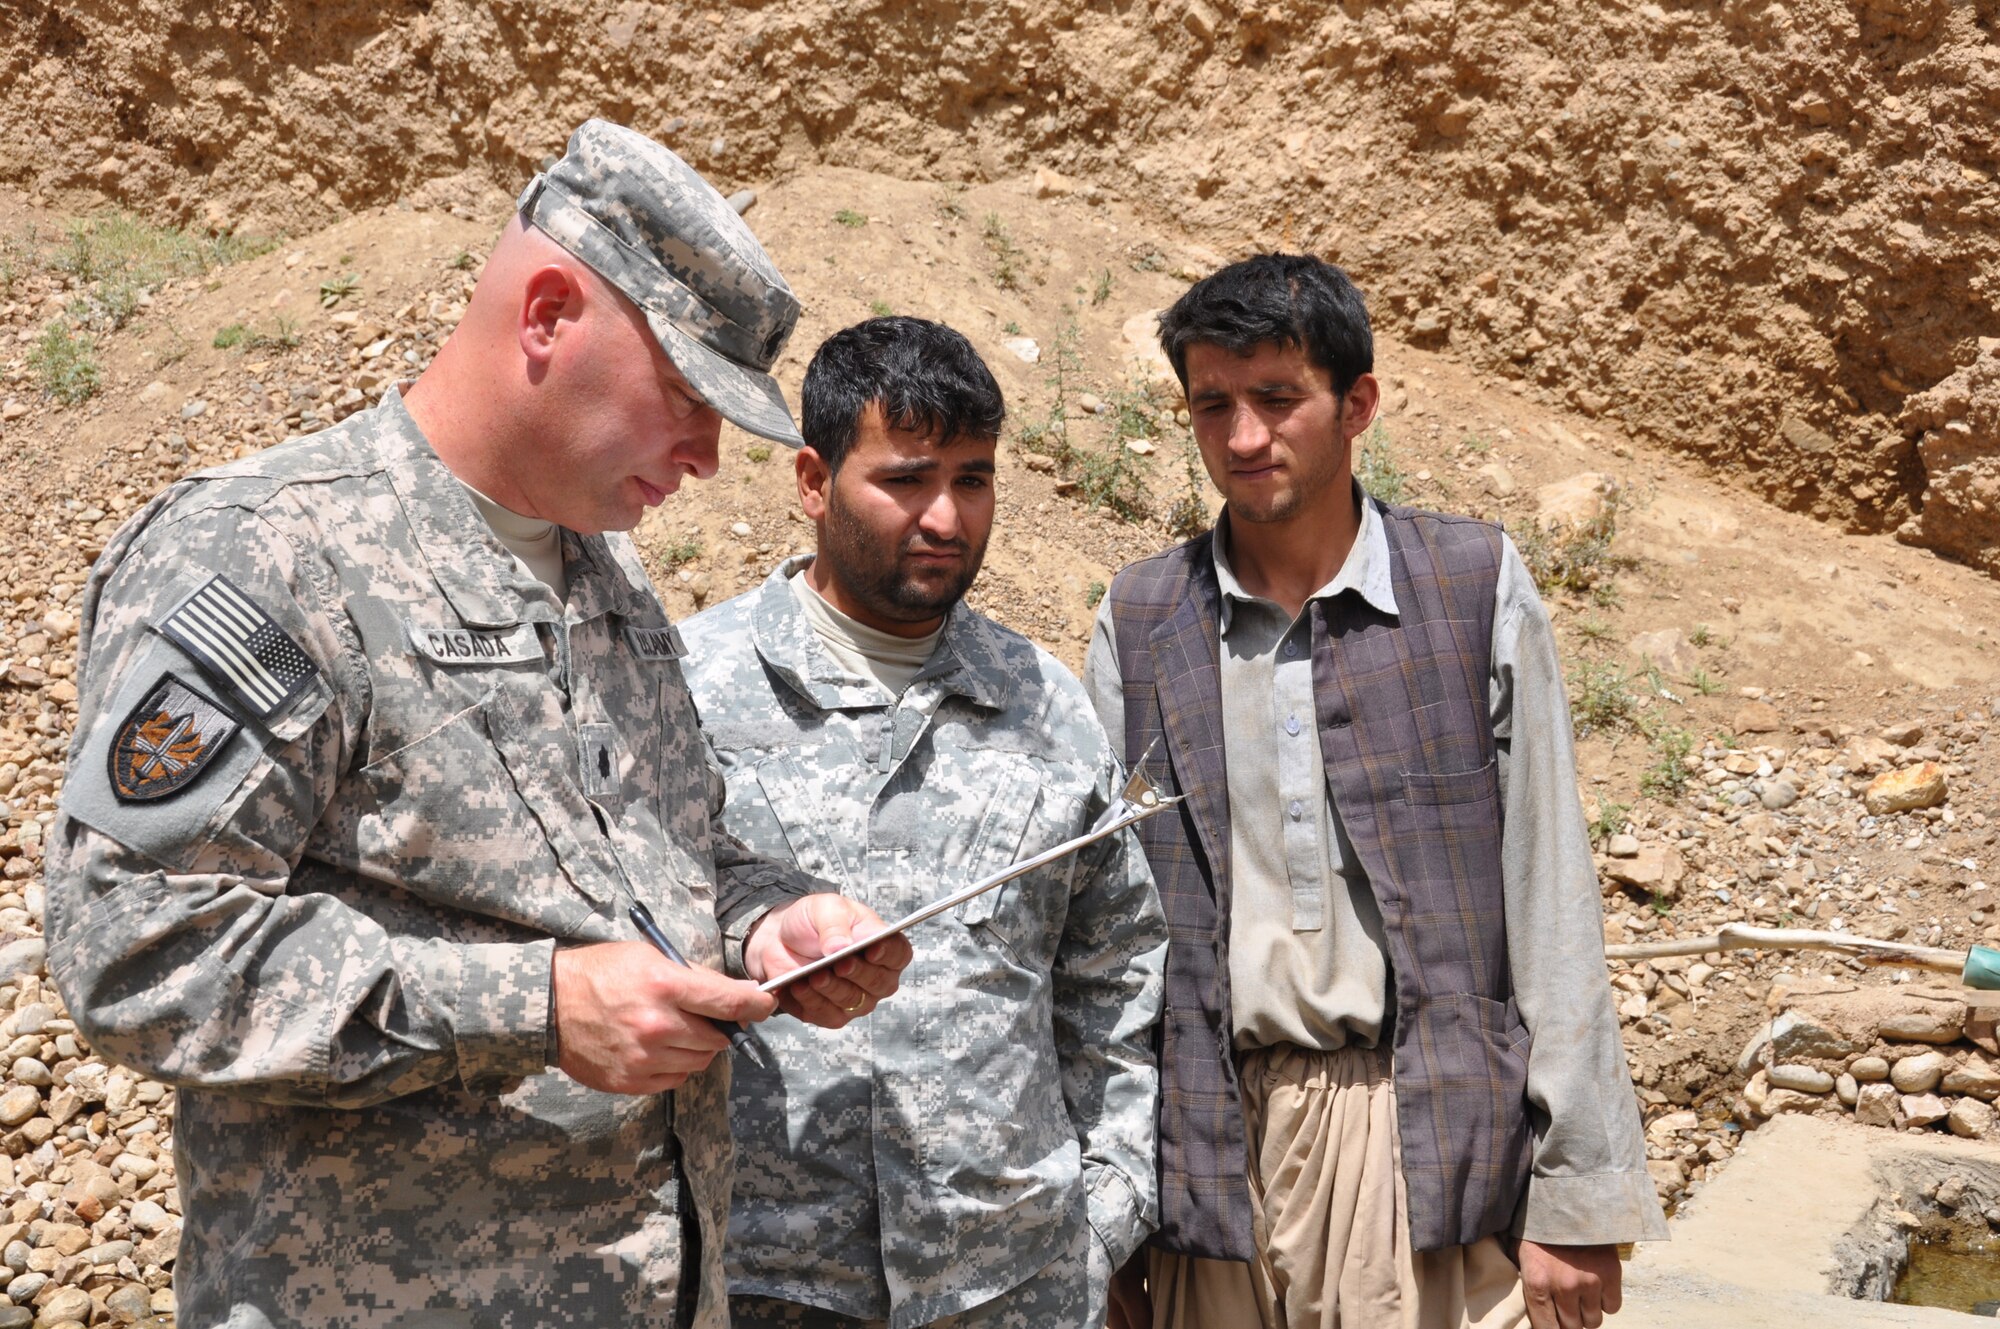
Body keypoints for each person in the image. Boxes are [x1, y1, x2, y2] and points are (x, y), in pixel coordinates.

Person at [44, 119, 912, 1329]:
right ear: (547, 314)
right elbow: (134, 947)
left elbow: (666, 860)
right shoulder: (266, 559)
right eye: (682, 394)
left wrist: (771, 921)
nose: (709, 457)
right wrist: (535, 1008)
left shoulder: (604, 576)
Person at [1084, 255, 1667, 1329]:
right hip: (1205, 1142)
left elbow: (1548, 894)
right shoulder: (1141, 619)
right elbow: (1103, 941)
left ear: (1356, 404)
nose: (1243, 437)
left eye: (1276, 399)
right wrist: (1107, 1203)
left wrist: (1577, 1196)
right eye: (1211, 405)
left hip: (1420, 1131)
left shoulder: (1469, 587)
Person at [679, 316, 1168, 1329]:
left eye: (973, 479)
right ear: (812, 481)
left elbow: (1114, 972)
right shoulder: (688, 690)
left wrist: (1107, 1207)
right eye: (904, 480)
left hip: (1010, 1282)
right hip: (764, 1281)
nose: (944, 516)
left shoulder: (1041, 701)